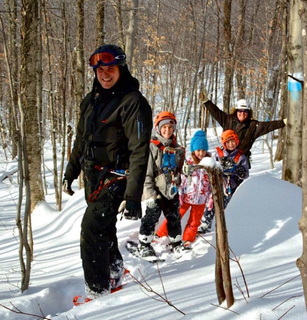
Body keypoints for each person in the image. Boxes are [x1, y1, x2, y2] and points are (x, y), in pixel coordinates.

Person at [63, 44, 153, 301]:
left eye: (110, 69)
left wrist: (134, 196)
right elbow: (81, 140)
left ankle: (98, 292)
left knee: (91, 230)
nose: (104, 74)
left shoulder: (133, 102)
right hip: (93, 177)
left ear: (121, 69)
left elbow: (139, 151)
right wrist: (71, 171)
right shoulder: (90, 101)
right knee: (104, 228)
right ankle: (114, 272)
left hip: (118, 178)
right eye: (100, 69)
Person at [137, 111, 185, 258]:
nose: (167, 131)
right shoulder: (152, 147)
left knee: (174, 217)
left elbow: (180, 168)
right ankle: (144, 243)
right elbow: (147, 173)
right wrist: (150, 194)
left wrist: (186, 170)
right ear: (158, 128)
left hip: (172, 189)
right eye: (164, 127)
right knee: (152, 216)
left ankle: (176, 242)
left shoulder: (178, 149)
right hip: (156, 190)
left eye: (170, 128)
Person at [199, 91, 286, 168]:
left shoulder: (253, 126)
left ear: (248, 113)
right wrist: (206, 101)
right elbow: (215, 112)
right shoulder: (228, 120)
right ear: (236, 111)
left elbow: (269, 126)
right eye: (240, 111)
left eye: (245, 111)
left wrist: (283, 122)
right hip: (225, 158)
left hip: (240, 161)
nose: (242, 113)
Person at [156, 130, 213, 248]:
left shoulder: (209, 164)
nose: (201, 153)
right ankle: (161, 234)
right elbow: (181, 179)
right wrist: (180, 194)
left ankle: (188, 239)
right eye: (198, 150)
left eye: (203, 150)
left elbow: (212, 183)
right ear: (193, 150)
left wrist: (210, 197)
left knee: (194, 221)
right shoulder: (188, 163)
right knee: (175, 216)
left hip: (201, 200)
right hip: (186, 197)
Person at [198, 129, 249, 234]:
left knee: (228, 206)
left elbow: (246, 173)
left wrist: (241, 172)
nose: (231, 144)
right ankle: (205, 222)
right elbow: (210, 166)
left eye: (233, 141)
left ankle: (226, 224)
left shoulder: (241, 157)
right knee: (212, 203)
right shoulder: (218, 154)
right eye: (228, 142)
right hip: (218, 184)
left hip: (232, 186)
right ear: (224, 143)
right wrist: (218, 168)